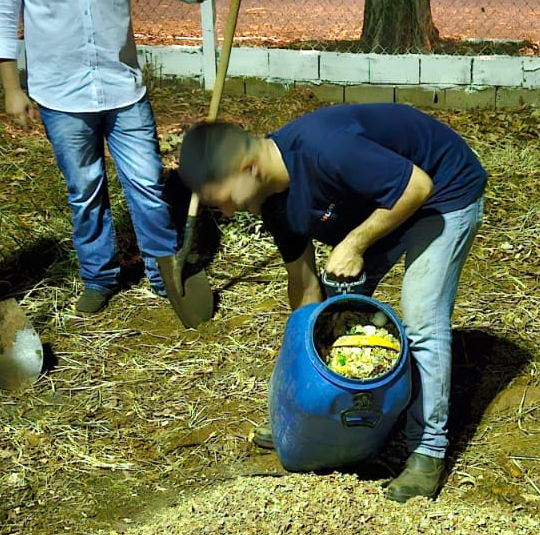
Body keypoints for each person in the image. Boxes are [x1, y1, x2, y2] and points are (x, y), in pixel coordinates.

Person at [0, 0, 254, 314]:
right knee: (84, 191)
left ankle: (163, 273)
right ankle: (99, 276)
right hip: (59, 93)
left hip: (123, 89)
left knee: (148, 185)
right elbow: (4, 12)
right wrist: (11, 87)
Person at [179, 103, 486, 502]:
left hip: (441, 193)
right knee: (339, 315)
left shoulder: (326, 149)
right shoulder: (272, 201)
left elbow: (417, 187)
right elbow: (305, 285)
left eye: (223, 198)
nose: (228, 211)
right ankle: (327, 418)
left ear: (248, 168)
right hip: (387, 203)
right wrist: (303, 381)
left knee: (421, 318)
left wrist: (354, 243)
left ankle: (427, 451)